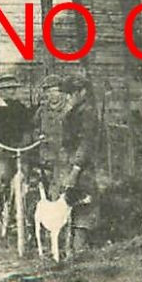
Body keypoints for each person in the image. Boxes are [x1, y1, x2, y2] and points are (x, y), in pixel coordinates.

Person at [36, 75, 101, 252]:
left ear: (82, 92)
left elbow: (86, 143)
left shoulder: (87, 113)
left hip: (80, 165)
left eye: (71, 94)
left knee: (83, 202)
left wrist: (76, 169)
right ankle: (64, 244)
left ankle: (79, 246)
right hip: (65, 163)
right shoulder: (74, 110)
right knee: (63, 200)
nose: (68, 97)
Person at [0, 73, 35, 222]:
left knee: (25, 174)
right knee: (3, 174)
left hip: (19, 150)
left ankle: (21, 205)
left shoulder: (20, 108)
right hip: (1, 149)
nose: (11, 92)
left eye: (12, 89)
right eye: (7, 89)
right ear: (0, 92)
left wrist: (27, 140)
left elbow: (28, 126)